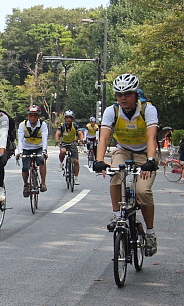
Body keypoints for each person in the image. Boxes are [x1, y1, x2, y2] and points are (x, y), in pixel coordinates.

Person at [93, 73, 160, 256]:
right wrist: (99, 161)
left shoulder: (148, 109)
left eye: (127, 94)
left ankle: (150, 233)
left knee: (142, 191)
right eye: (119, 94)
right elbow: (104, 137)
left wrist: (151, 161)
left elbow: (151, 136)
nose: (123, 98)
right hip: (123, 150)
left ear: (136, 94)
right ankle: (117, 214)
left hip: (146, 153)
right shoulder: (112, 111)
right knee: (115, 178)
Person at [16, 105, 48, 197]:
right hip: (27, 148)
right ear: (28, 116)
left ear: (38, 116)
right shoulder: (23, 125)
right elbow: (20, 140)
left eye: (35, 115)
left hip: (38, 147)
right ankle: (26, 185)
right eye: (31, 115)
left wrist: (44, 151)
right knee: (25, 167)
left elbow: (45, 139)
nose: (33, 117)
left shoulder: (43, 124)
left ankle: (43, 183)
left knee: (42, 161)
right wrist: (19, 152)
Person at [56, 110, 84, 184]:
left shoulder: (75, 125)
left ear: (72, 119)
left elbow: (80, 133)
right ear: (65, 118)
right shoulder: (62, 126)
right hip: (64, 143)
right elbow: (58, 134)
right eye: (67, 117)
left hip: (73, 143)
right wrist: (57, 141)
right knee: (63, 151)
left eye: (70, 118)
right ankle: (61, 163)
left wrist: (81, 140)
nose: (69, 119)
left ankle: (76, 178)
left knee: (76, 161)